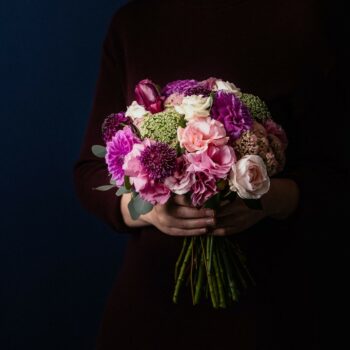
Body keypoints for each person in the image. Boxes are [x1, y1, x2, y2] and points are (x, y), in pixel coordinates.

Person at [74, 0, 346, 348]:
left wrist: (269, 198)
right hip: (151, 311)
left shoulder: (305, 18)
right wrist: (146, 210)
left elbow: (335, 176)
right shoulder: (133, 22)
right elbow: (89, 172)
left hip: (271, 310)